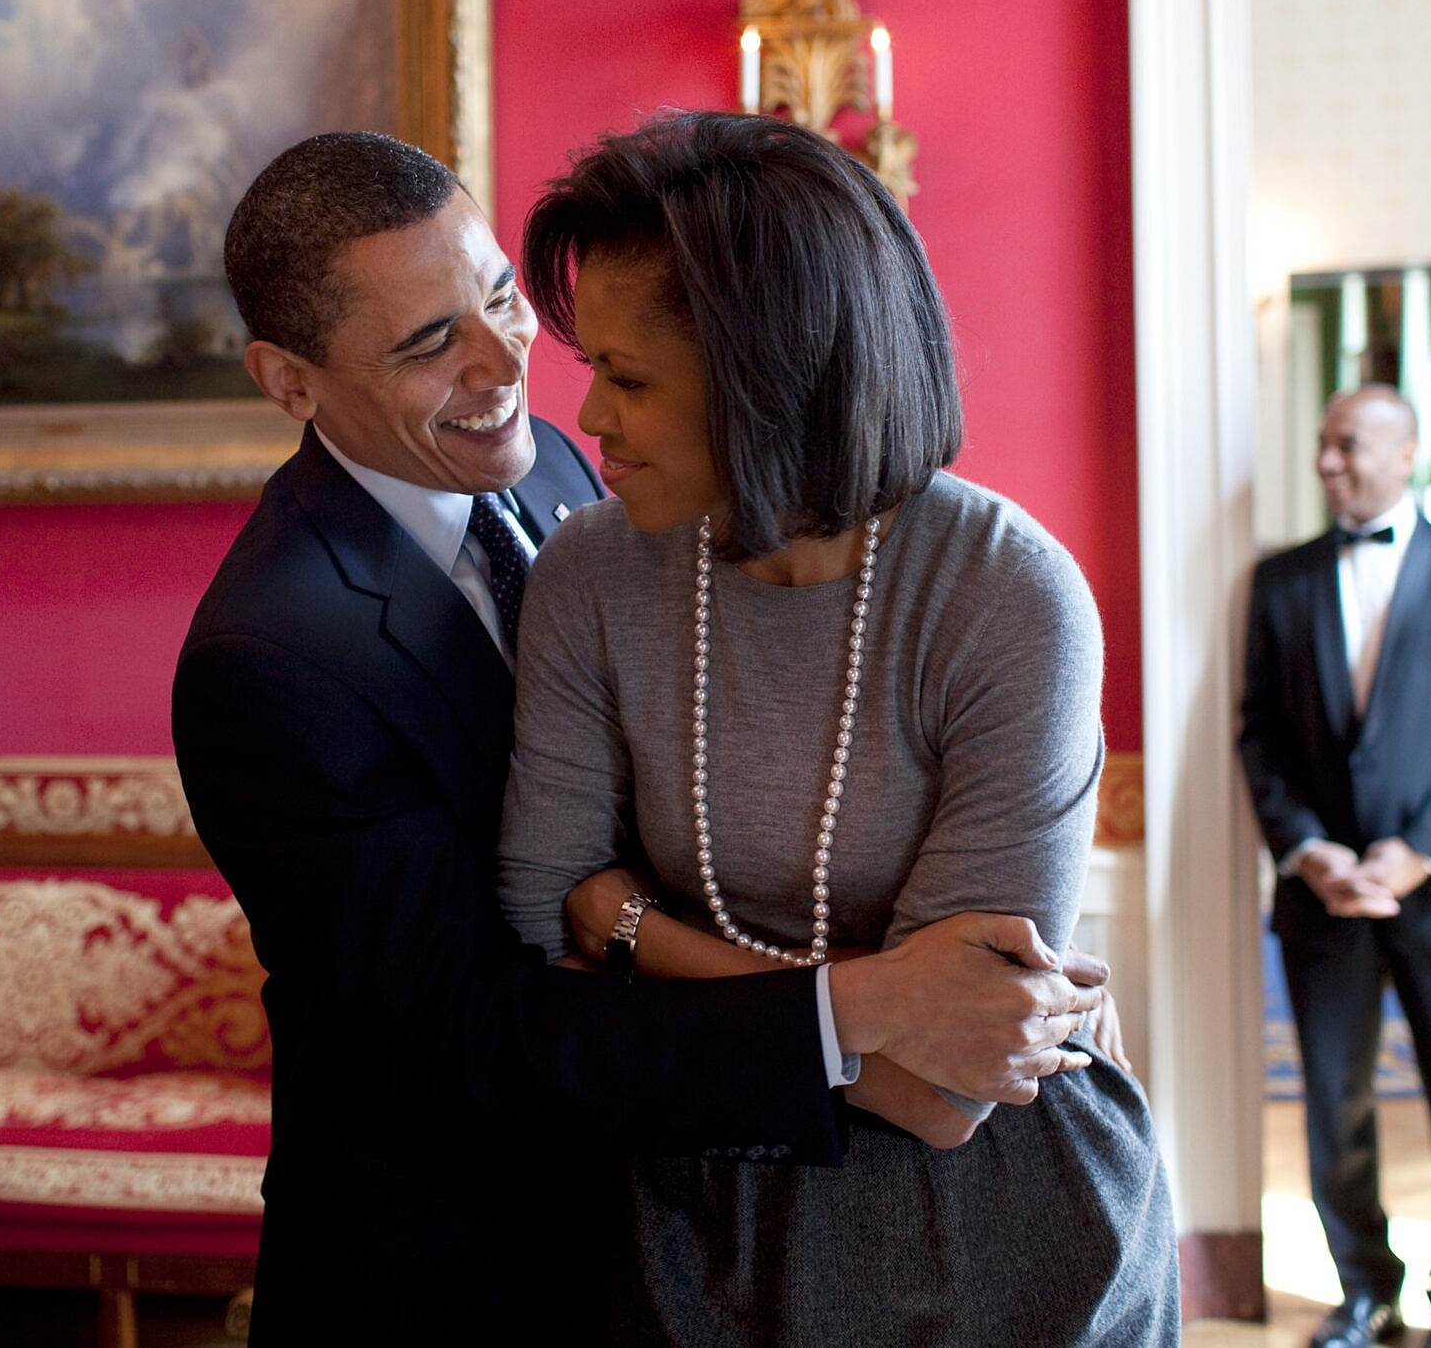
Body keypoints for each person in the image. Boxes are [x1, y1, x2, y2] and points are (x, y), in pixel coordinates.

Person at [172, 131, 1113, 1346]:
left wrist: (617, 919)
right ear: (289, 380)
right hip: (466, 1268)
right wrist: (864, 1007)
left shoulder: (563, 475)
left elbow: (955, 1052)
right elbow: (477, 1028)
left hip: (817, 1229)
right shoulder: (272, 655)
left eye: (500, 294)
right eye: (426, 343)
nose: (514, 363)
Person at [497, 111, 1179, 1347]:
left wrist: (634, 922)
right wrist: (872, 1001)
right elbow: (542, 909)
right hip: (692, 1201)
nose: (586, 416)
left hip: (1004, 1230)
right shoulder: (590, 572)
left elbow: (948, 1087)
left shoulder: (1009, 593)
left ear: (773, 378)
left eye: (630, 377)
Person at [1237, 386, 1431, 1348]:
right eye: (1322, 444)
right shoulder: (1277, 582)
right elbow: (1261, 738)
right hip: (1322, 899)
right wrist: (1313, 852)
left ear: (1408, 451)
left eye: (1349, 445)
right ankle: (1364, 1287)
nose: (1328, 462)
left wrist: (1415, 856)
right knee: (1336, 1105)